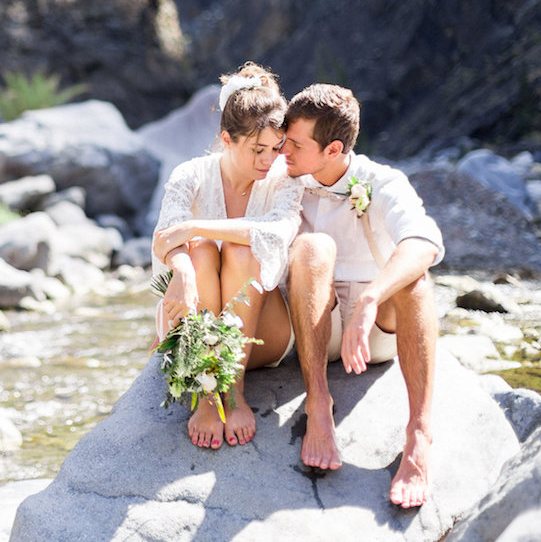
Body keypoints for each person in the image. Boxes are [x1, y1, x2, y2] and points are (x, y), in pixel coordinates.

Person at [279, 83, 444, 508]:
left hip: (377, 332)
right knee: (314, 247)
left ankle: (419, 433)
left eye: (295, 144)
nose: (284, 151)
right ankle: (318, 404)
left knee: (415, 280)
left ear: (333, 149)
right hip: (318, 327)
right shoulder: (281, 180)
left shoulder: (381, 180)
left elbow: (425, 242)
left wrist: (371, 298)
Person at [151, 61, 304, 450]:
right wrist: (182, 270)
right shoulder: (191, 174)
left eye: (275, 149)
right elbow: (166, 235)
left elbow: (277, 232)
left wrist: (197, 227)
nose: (268, 160)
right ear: (226, 138)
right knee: (197, 253)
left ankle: (232, 392)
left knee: (240, 245)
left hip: (259, 336)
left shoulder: (284, 182)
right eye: (257, 149)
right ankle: (206, 395)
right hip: (193, 321)